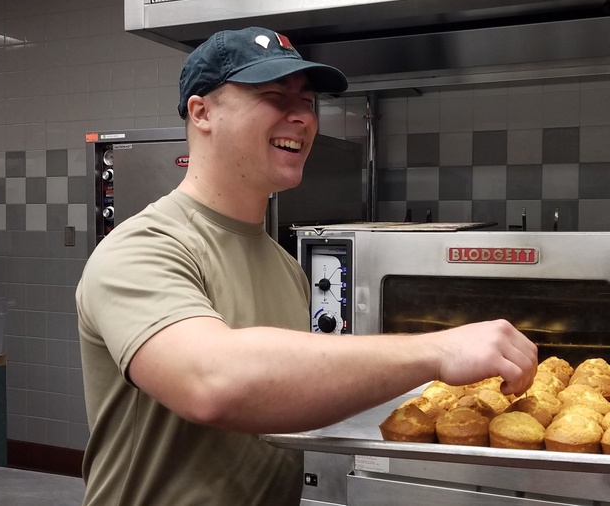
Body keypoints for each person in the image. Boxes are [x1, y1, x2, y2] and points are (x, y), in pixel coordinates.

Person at [75, 26, 538, 505]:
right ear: (202, 111)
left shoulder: (283, 265)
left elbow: (283, 395)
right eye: (275, 96)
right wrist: (437, 351)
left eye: (308, 101)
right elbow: (211, 382)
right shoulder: (142, 248)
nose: (302, 117)